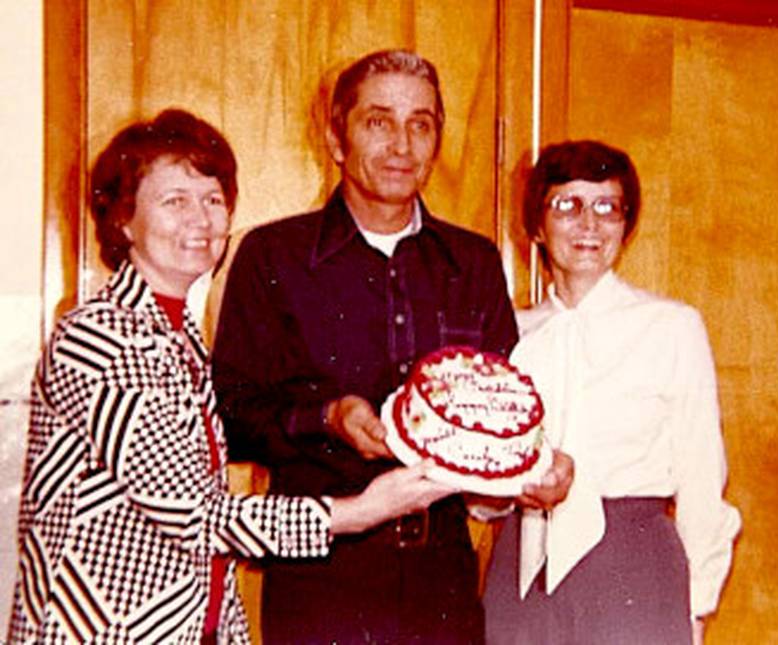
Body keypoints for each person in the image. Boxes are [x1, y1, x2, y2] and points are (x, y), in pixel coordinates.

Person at [7, 109, 456, 644]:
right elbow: (191, 513)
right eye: (175, 201)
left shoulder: (177, 335)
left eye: (213, 200)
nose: (201, 220)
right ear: (123, 220)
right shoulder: (100, 336)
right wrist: (359, 512)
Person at [212, 49, 572, 643]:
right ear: (336, 137)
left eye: (421, 124)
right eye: (378, 121)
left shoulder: (473, 261)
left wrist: (536, 475)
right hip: (320, 573)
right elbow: (230, 415)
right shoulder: (273, 257)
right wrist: (328, 417)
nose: (402, 144)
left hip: (444, 579)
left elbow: (503, 411)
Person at [483, 140, 741, 644]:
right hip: (525, 562)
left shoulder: (672, 327)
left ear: (626, 226)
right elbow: (483, 490)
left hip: (634, 562)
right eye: (568, 205)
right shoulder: (508, 333)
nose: (589, 224)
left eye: (607, 207)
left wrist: (696, 608)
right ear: (536, 225)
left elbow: (702, 477)